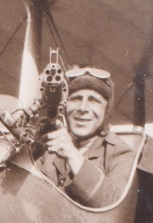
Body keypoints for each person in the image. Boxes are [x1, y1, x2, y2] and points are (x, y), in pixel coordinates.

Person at [34, 67, 135, 208]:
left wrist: (72, 155)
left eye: (94, 101)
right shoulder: (50, 150)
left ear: (106, 110)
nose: (83, 108)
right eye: (75, 99)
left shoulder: (120, 153)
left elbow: (113, 204)